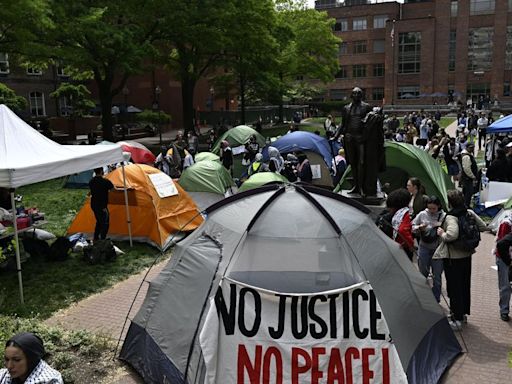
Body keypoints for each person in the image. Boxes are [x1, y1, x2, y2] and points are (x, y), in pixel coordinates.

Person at [435, 190, 486, 330]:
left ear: (450, 202)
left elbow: (451, 235)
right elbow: (483, 226)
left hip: (453, 258)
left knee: (454, 288)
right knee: (464, 285)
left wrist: (442, 233)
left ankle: (456, 319)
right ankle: (462, 314)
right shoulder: (468, 212)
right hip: (467, 255)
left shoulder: (451, 217)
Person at [334, 88, 383, 197]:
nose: (356, 95)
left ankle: (362, 187)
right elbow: (343, 125)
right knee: (353, 163)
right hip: (349, 138)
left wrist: (378, 112)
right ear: (351, 95)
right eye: (354, 93)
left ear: (362, 95)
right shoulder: (346, 108)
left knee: (361, 163)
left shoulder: (366, 107)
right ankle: (356, 186)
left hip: (361, 139)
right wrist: (335, 136)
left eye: (358, 93)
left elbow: (375, 115)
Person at [412, 195, 446, 302]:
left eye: (434, 209)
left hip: (438, 250)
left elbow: (449, 231)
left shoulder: (443, 216)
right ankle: (423, 298)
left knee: (437, 277)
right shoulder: (422, 214)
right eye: (429, 208)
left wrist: (441, 227)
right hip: (424, 248)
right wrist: (419, 228)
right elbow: (412, 226)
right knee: (422, 274)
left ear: (438, 206)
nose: (431, 211)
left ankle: (436, 299)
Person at [385, 188, 415, 261]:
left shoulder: (389, 215)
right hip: (402, 247)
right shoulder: (405, 214)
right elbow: (402, 230)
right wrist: (411, 244)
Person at [494, 212, 512, 322]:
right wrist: (508, 261)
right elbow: (500, 244)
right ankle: (504, 310)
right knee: (505, 285)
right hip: (504, 258)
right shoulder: (506, 223)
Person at [89, 167, 114, 241]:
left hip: (93, 204)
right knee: (105, 223)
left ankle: (96, 238)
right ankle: (102, 239)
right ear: (101, 171)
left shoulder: (91, 181)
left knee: (99, 221)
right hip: (102, 206)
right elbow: (113, 189)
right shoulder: (105, 181)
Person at [460, 142, 478, 208]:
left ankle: (465, 205)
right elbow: (467, 168)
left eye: (473, 147)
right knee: (468, 192)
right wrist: (473, 176)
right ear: (466, 148)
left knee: (466, 192)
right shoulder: (466, 156)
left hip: (467, 178)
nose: (472, 149)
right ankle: (466, 206)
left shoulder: (468, 155)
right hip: (467, 178)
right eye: (470, 148)